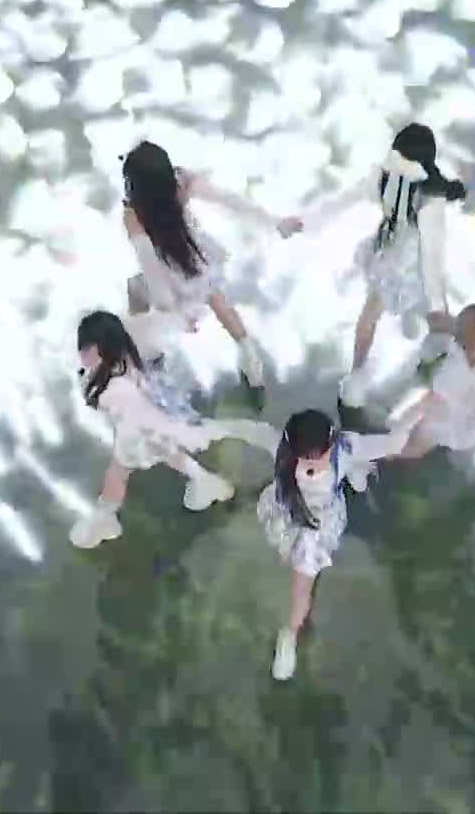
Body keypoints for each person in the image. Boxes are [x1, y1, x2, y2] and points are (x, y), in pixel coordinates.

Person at [278, 123, 468, 409]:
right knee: (371, 317)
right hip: (389, 255)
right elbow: (343, 200)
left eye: (404, 159)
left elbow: (432, 253)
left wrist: (436, 303)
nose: (397, 163)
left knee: (431, 319)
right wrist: (304, 221)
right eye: (397, 156)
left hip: (411, 261)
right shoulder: (383, 178)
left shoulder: (430, 199)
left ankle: (453, 364)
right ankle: (358, 378)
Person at [69, 311, 277, 550]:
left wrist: (175, 431)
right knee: (162, 454)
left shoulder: (116, 386)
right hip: (145, 428)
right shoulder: (122, 364)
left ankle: (105, 518)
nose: (83, 355)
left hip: (141, 431)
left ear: (103, 347)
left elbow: (145, 416)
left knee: (121, 472)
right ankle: (206, 480)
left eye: (87, 349)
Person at [255, 408, 413, 681]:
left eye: (318, 456)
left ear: (331, 444)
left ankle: (289, 635)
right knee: (290, 560)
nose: (312, 465)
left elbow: (393, 443)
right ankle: (357, 472)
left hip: (315, 528)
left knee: (302, 588)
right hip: (288, 514)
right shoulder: (279, 447)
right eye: (304, 457)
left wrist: (419, 409)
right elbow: (243, 429)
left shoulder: (346, 447)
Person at [122, 141, 282, 389]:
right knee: (215, 295)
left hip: (171, 276)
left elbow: (151, 268)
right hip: (195, 257)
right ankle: (251, 360)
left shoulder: (134, 215)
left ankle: (149, 360)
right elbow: (229, 200)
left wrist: (173, 314)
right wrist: (274, 222)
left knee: (135, 288)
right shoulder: (181, 182)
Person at [376, 303, 475, 531]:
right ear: (469, 347)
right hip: (448, 416)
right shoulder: (453, 371)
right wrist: (402, 426)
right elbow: (428, 402)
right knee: (413, 450)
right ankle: (375, 453)